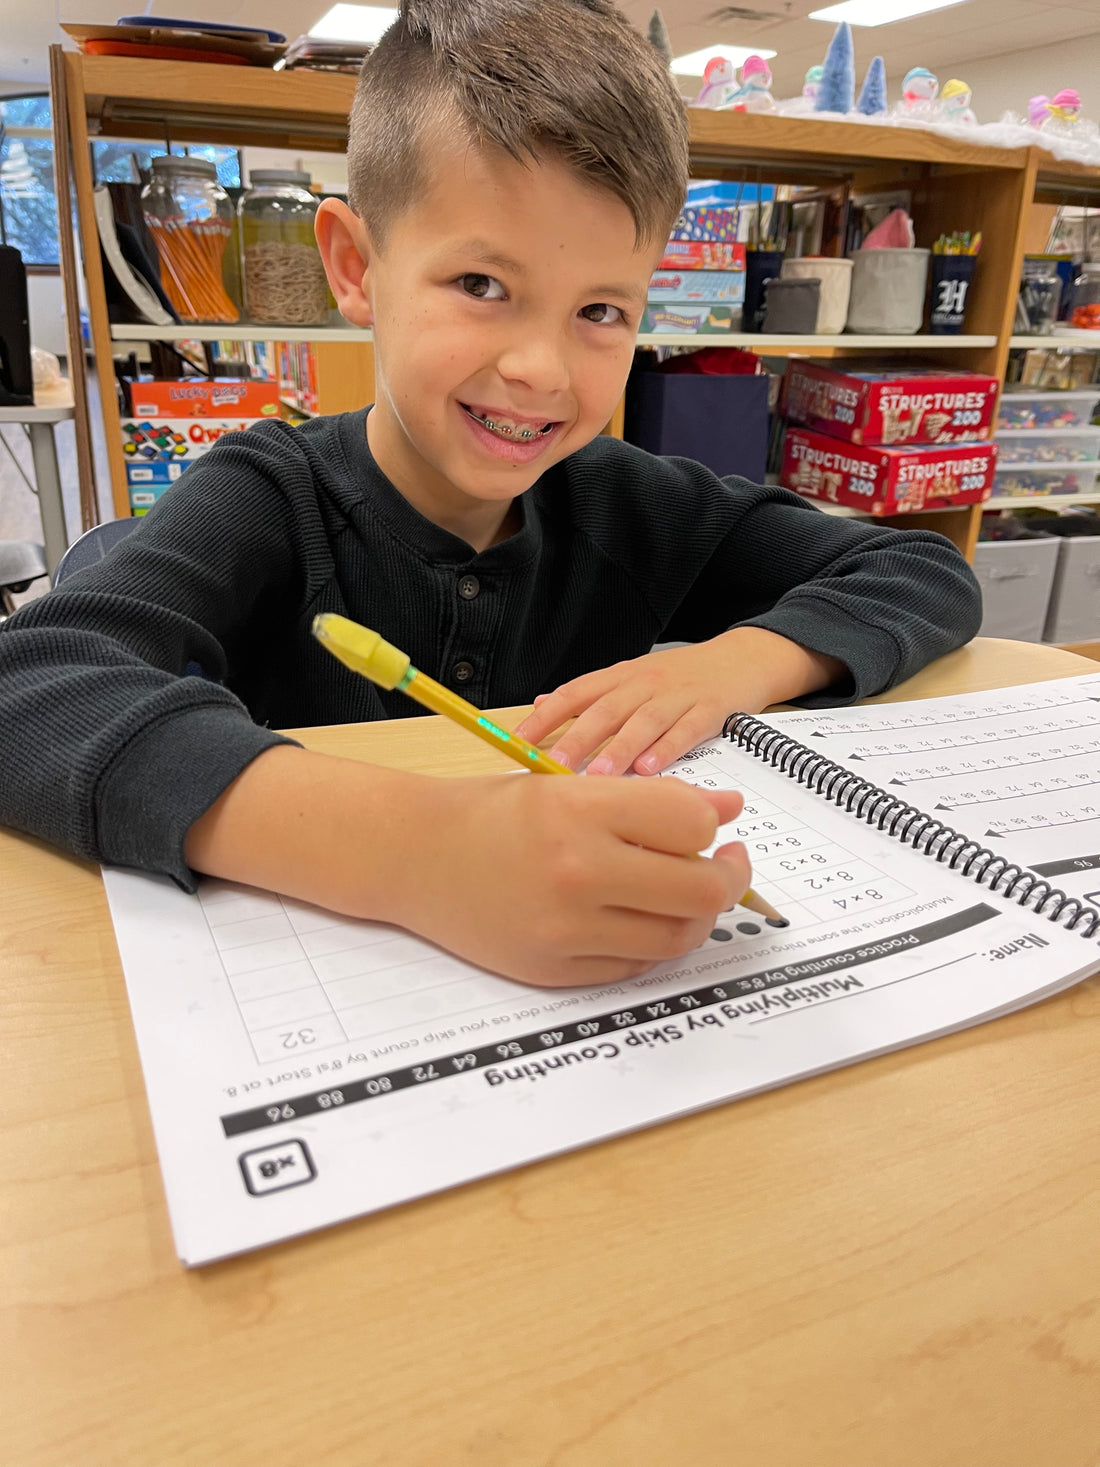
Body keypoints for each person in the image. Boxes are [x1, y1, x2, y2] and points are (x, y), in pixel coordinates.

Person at [0, 0, 981, 987]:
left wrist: (724, 668)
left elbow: (913, 565)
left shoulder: (625, 503)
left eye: (600, 310)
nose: (540, 371)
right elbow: (27, 692)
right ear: (354, 265)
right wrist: (418, 856)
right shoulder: (264, 500)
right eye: (479, 283)